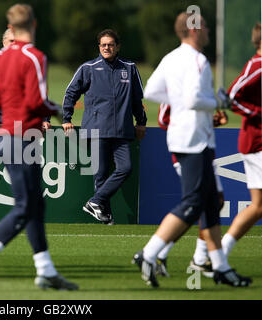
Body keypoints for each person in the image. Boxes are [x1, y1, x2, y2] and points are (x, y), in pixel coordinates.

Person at [133, 12, 251, 288]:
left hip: (183, 137)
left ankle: (219, 266)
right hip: (195, 139)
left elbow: (150, 92)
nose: (209, 30)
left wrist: (182, 102)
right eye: (205, 26)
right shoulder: (198, 61)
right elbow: (194, 98)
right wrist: (219, 101)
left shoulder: (171, 57)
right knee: (193, 203)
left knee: (210, 203)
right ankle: (149, 253)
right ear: (194, 30)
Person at [0, 3, 78, 291]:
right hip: (22, 136)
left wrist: (5, 100)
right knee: (25, 205)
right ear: (33, 25)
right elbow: (36, 101)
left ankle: (45, 270)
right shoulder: (34, 56)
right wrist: (54, 108)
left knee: (35, 204)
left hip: (7, 136)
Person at [62, 29, 147, 225]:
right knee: (100, 175)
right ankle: (106, 217)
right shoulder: (88, 67)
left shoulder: (130, 68)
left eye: (110, 44)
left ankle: (95, 201)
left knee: (125, 168)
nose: (106, 48)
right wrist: (67, 118)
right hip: (96, 129)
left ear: (118, 47)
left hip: (123, 131)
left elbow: (137, 100)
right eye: (103, 45)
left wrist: (141, 123)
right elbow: (70, 93)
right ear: (99, 47)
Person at [196, 22, 261, 261]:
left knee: (258, 207)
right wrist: (256, 114)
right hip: (257, 143)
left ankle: (216, 253)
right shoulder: (258, 65)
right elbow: (229, 96)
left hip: (256, 142)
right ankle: (212, 255)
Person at [155, 103, 229, 278]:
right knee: (197, 205)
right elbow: (163, 119)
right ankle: (159, 253)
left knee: (213, 202)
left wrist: (211, 121)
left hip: (203, 151)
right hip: (187, 152)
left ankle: (198, 258)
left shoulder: (200, 78)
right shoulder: (177, 77)